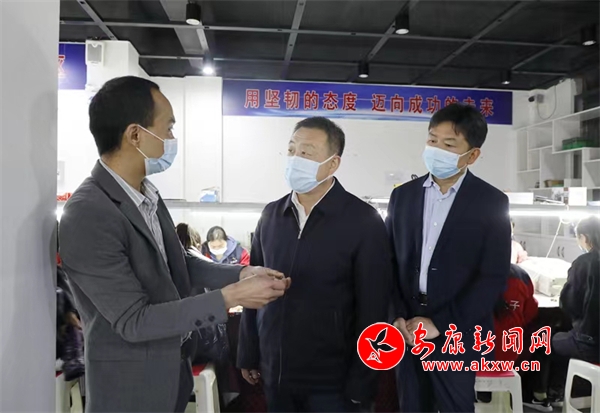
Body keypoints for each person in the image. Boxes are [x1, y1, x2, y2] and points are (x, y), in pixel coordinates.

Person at [59, 76, 290, 413]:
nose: (171, 139)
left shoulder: (147, 195)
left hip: (172, 374)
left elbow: (177, 263)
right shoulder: (89, 212)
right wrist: (231, 297)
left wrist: (241, 274)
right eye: (167, 128)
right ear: (135, 134)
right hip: (129, 388)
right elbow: (134, 320)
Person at [237, 116, 393, 412]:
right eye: (291, 150)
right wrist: (248, 352)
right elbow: (251, 289)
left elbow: (374, 307)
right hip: (276, 372)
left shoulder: (362, 220)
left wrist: (364, 379)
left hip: (334, 381)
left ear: (333, 164)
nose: (295, 159)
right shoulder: (271, 216)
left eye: (306, 153)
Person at [386, 103, 511, 412]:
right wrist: (396, 315)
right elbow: (388, 262)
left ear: (472, 155)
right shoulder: (403, 196)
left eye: (449, 144)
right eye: (432, 140)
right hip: (407, 329)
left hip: (458, 331)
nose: (436, 150)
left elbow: (492, 277)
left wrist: (439, 323)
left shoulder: (491, 202)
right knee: (411, 405)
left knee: (454, 406)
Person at [526, 216, 600, 411]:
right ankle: (557, 392)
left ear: (584, 237)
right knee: (563, 338)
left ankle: (542, 395)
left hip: (590, 343)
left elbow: (569, 304)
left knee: (544, 341)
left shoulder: (584, 263)